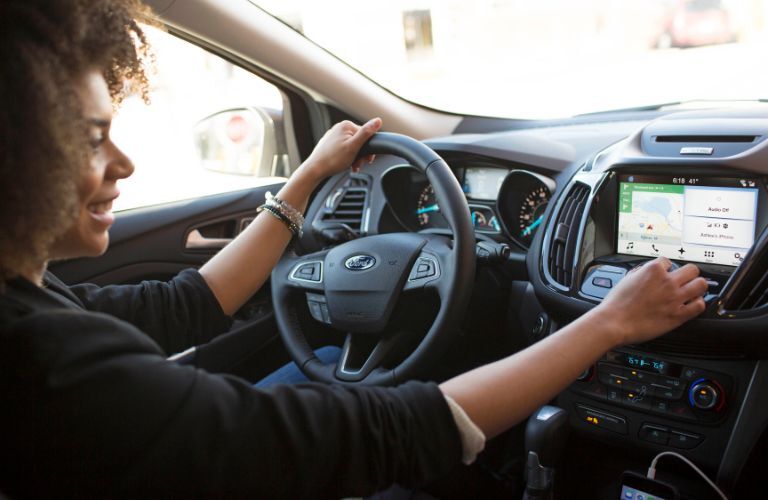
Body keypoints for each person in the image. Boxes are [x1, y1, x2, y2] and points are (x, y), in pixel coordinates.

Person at [0, 0, 709, 497]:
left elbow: (187, 303)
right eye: (92, 138)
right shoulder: (47, 368)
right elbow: (384, 435)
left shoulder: (35, 307)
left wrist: (307, 177)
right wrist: (609, 325)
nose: (123, 164)